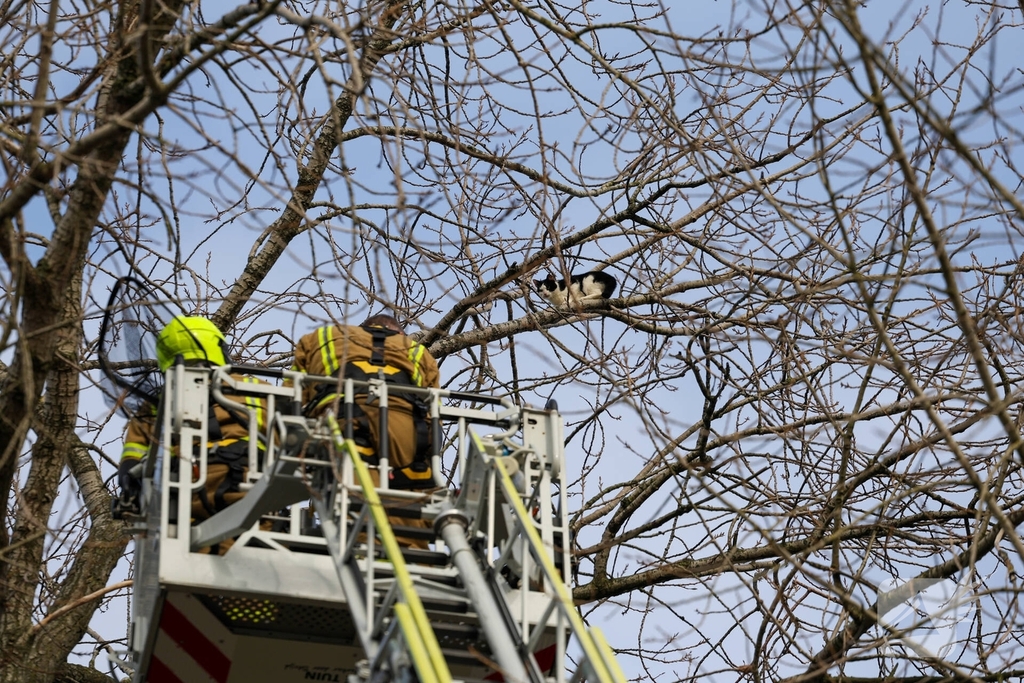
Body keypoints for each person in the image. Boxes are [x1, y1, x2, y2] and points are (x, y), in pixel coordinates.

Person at [118, 315, 268, 553]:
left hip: (187, 490)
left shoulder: (157, 403)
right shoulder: (254, 387)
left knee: (199, 553)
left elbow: (132, 460)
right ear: (218, 347)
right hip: (250, 484)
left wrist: (131, 488)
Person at [291, 313, 440, 547]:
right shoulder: (418, 352)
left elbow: (292, 400)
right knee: (409, 496)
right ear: (399, 333)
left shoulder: (321, 337)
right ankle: (414, 554)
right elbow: (433, 412)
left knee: (355, 501)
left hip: (342, 423)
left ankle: (362, 547)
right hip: (407, 430)